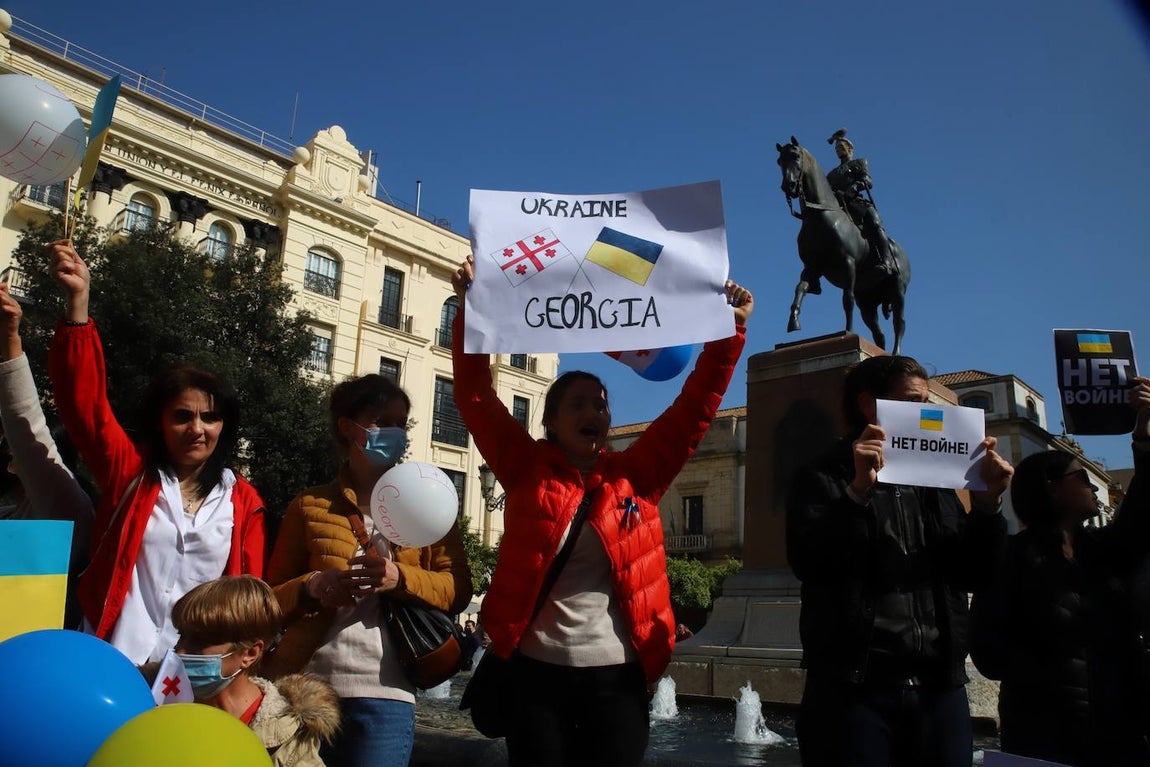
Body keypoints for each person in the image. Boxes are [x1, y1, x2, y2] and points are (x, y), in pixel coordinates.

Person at [451, 254, 754, 767]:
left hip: (618, 679)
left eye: (601, 403)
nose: (595, 412)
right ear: (551, 421)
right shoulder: (525, 469)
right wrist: (469, 309)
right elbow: (474, 395)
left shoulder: (638, 474)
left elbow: (694, 407)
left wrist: (730, 332)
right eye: (579, 404)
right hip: (534, 678)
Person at [46, 239, 267, 664]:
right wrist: (78, 304)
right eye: (183, 416)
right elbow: (84, 405)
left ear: (225, 426)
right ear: (160, 421)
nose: (197, 429)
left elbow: (248, 598)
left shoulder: (245, 502)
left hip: (193, 677)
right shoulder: (130, 472)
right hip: (111, 661)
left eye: (210, 418)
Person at [786, 354, 1013, 767]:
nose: (926, 412)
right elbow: (810, 560)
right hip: (855, 690)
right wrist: (855, 494)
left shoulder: (938, 483)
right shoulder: (822, 476)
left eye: (929, 402)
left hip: (939, 688)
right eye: (913, 401)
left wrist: (986, 508)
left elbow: (974, 573)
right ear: (869, 405)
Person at [265, 373, 472, 767]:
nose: (395, 433)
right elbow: (269, 598)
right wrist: (313, 586)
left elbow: (458, 588)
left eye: (401, 424)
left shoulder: (431, 504)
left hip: (387, 694)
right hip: (304, 691)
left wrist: (401, 579)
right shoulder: (309, 505)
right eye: (382, 422)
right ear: (348, 428)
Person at [971, 376, 1150, 767]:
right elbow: (988, 651)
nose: (1092, 488)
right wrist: (1045, 673)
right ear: (1052, 488)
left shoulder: (1106, 551)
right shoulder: (1011, 558)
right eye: (1082, 478)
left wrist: (1143, 437)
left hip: (1121, 730)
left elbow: (1144, 509)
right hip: (1044, 738)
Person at [152, 575, 340, 767]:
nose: (181, 651)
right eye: (182, 636)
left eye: (200, 641)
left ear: (250, 653)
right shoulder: (152, 697)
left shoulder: (288, 741)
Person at [0, 281, 95, 628]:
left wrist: (10, 342)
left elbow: (27, 429)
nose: (10, 449)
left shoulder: (66, 510)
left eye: (12, 444)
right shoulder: (8, 510)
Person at [825, 128, 897, 276]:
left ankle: (887, 261)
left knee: (875, 224)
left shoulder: (859, 163)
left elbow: (867, 180)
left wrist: (854, 187)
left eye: (841, 147)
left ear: (850, 149)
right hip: (840, 206)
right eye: (837, 148)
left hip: (857, 202)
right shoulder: (832, 174)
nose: (838, 150)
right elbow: (826, 190)